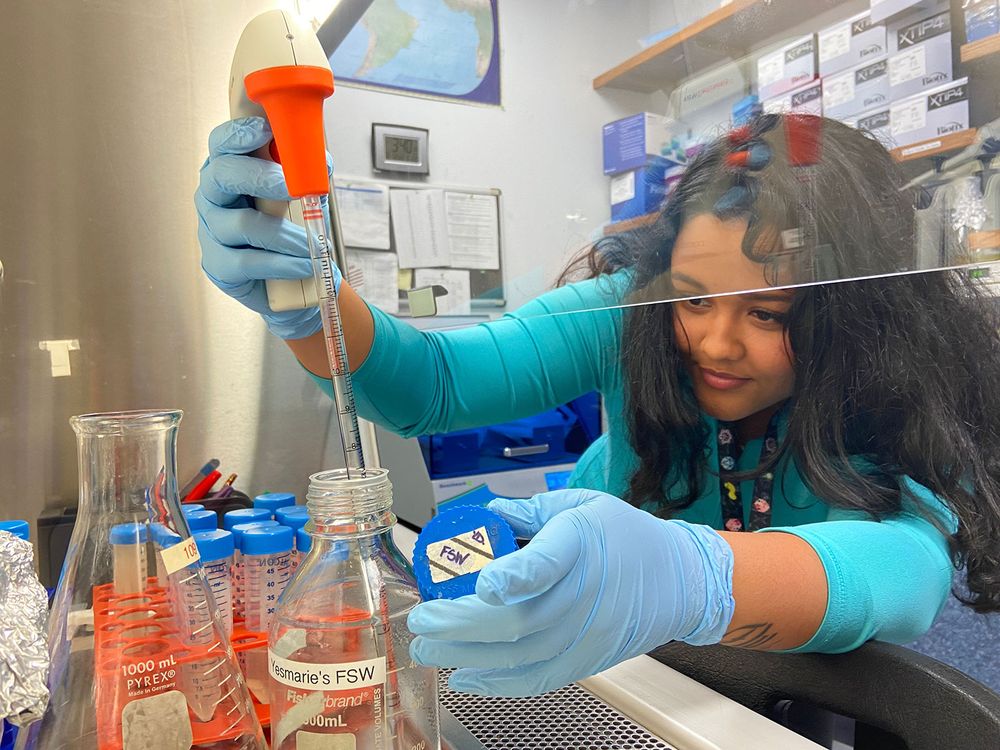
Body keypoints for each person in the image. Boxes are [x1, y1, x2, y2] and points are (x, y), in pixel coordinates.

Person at [196, 113, 1000, 697]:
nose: (715, 344)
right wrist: (309, 299)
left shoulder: (897, 377)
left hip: (812, 698)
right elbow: (436, 383)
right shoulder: (628, 314)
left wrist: (700, 577)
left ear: (855, 317)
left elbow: (911, 570)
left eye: (768, 314)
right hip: (627, 678)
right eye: (691, 301)